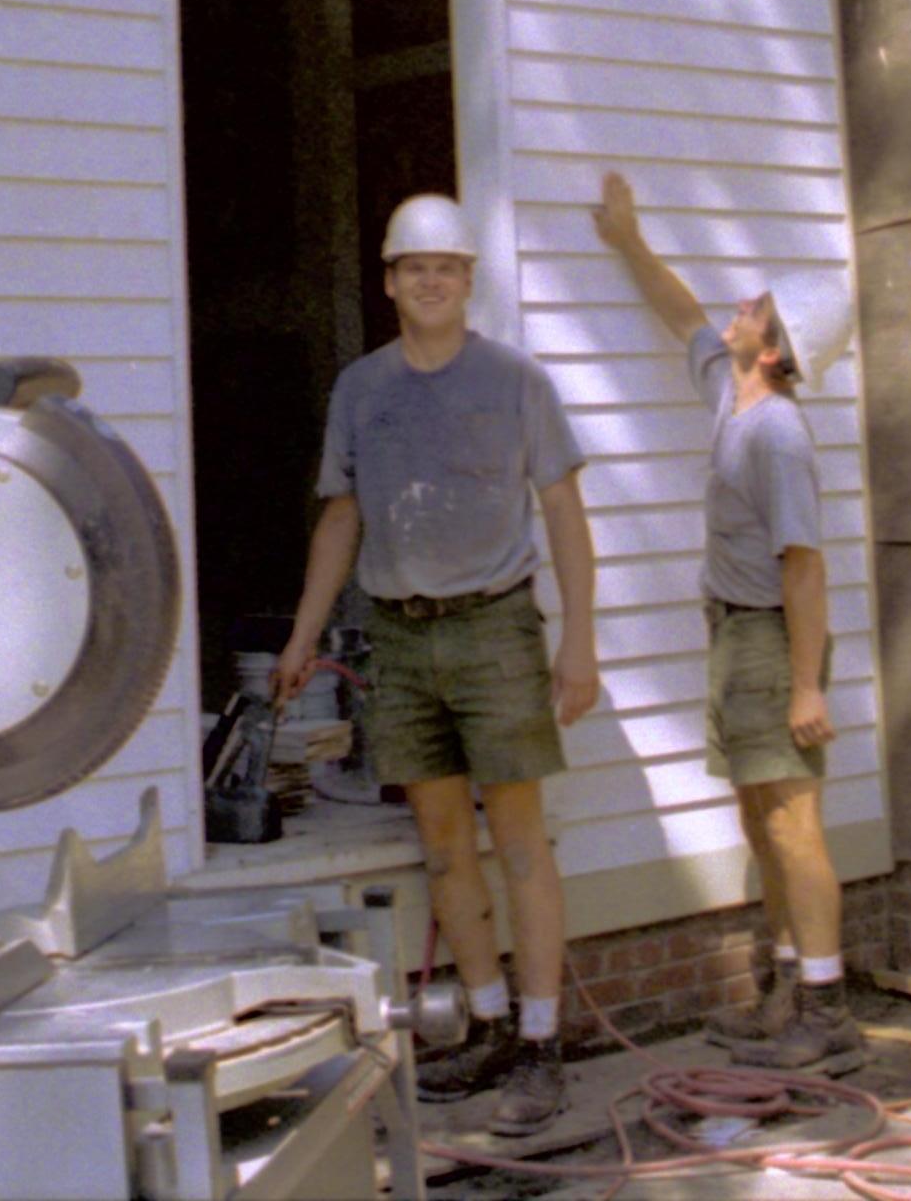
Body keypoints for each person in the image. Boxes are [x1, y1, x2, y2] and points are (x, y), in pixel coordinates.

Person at [276, 193, 600, 1135]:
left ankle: (542, 1043)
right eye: (414, 267)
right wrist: (303, 637)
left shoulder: (516, 383)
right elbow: (341, 516)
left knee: (521, 840)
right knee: (445, 843)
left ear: (468, 281)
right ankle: (488, 1025)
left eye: (448, 267)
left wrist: (578, 639)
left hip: (495, 628)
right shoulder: (361, 389)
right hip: (400, 636)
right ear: (388, 283)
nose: (431, 280)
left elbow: (567, 515)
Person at [590, 169, 862, 1072]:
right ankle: (788, 985)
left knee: (792, 820)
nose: (739, 306)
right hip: (736, 634)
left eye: (757, 308)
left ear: (775, 350)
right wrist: (629, 241)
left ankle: (826, 1011)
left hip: (772, 635)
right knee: (758, 816)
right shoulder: (730, 396)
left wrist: (806, 683)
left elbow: (806, 564)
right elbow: (683, 317)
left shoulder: (778, 433)